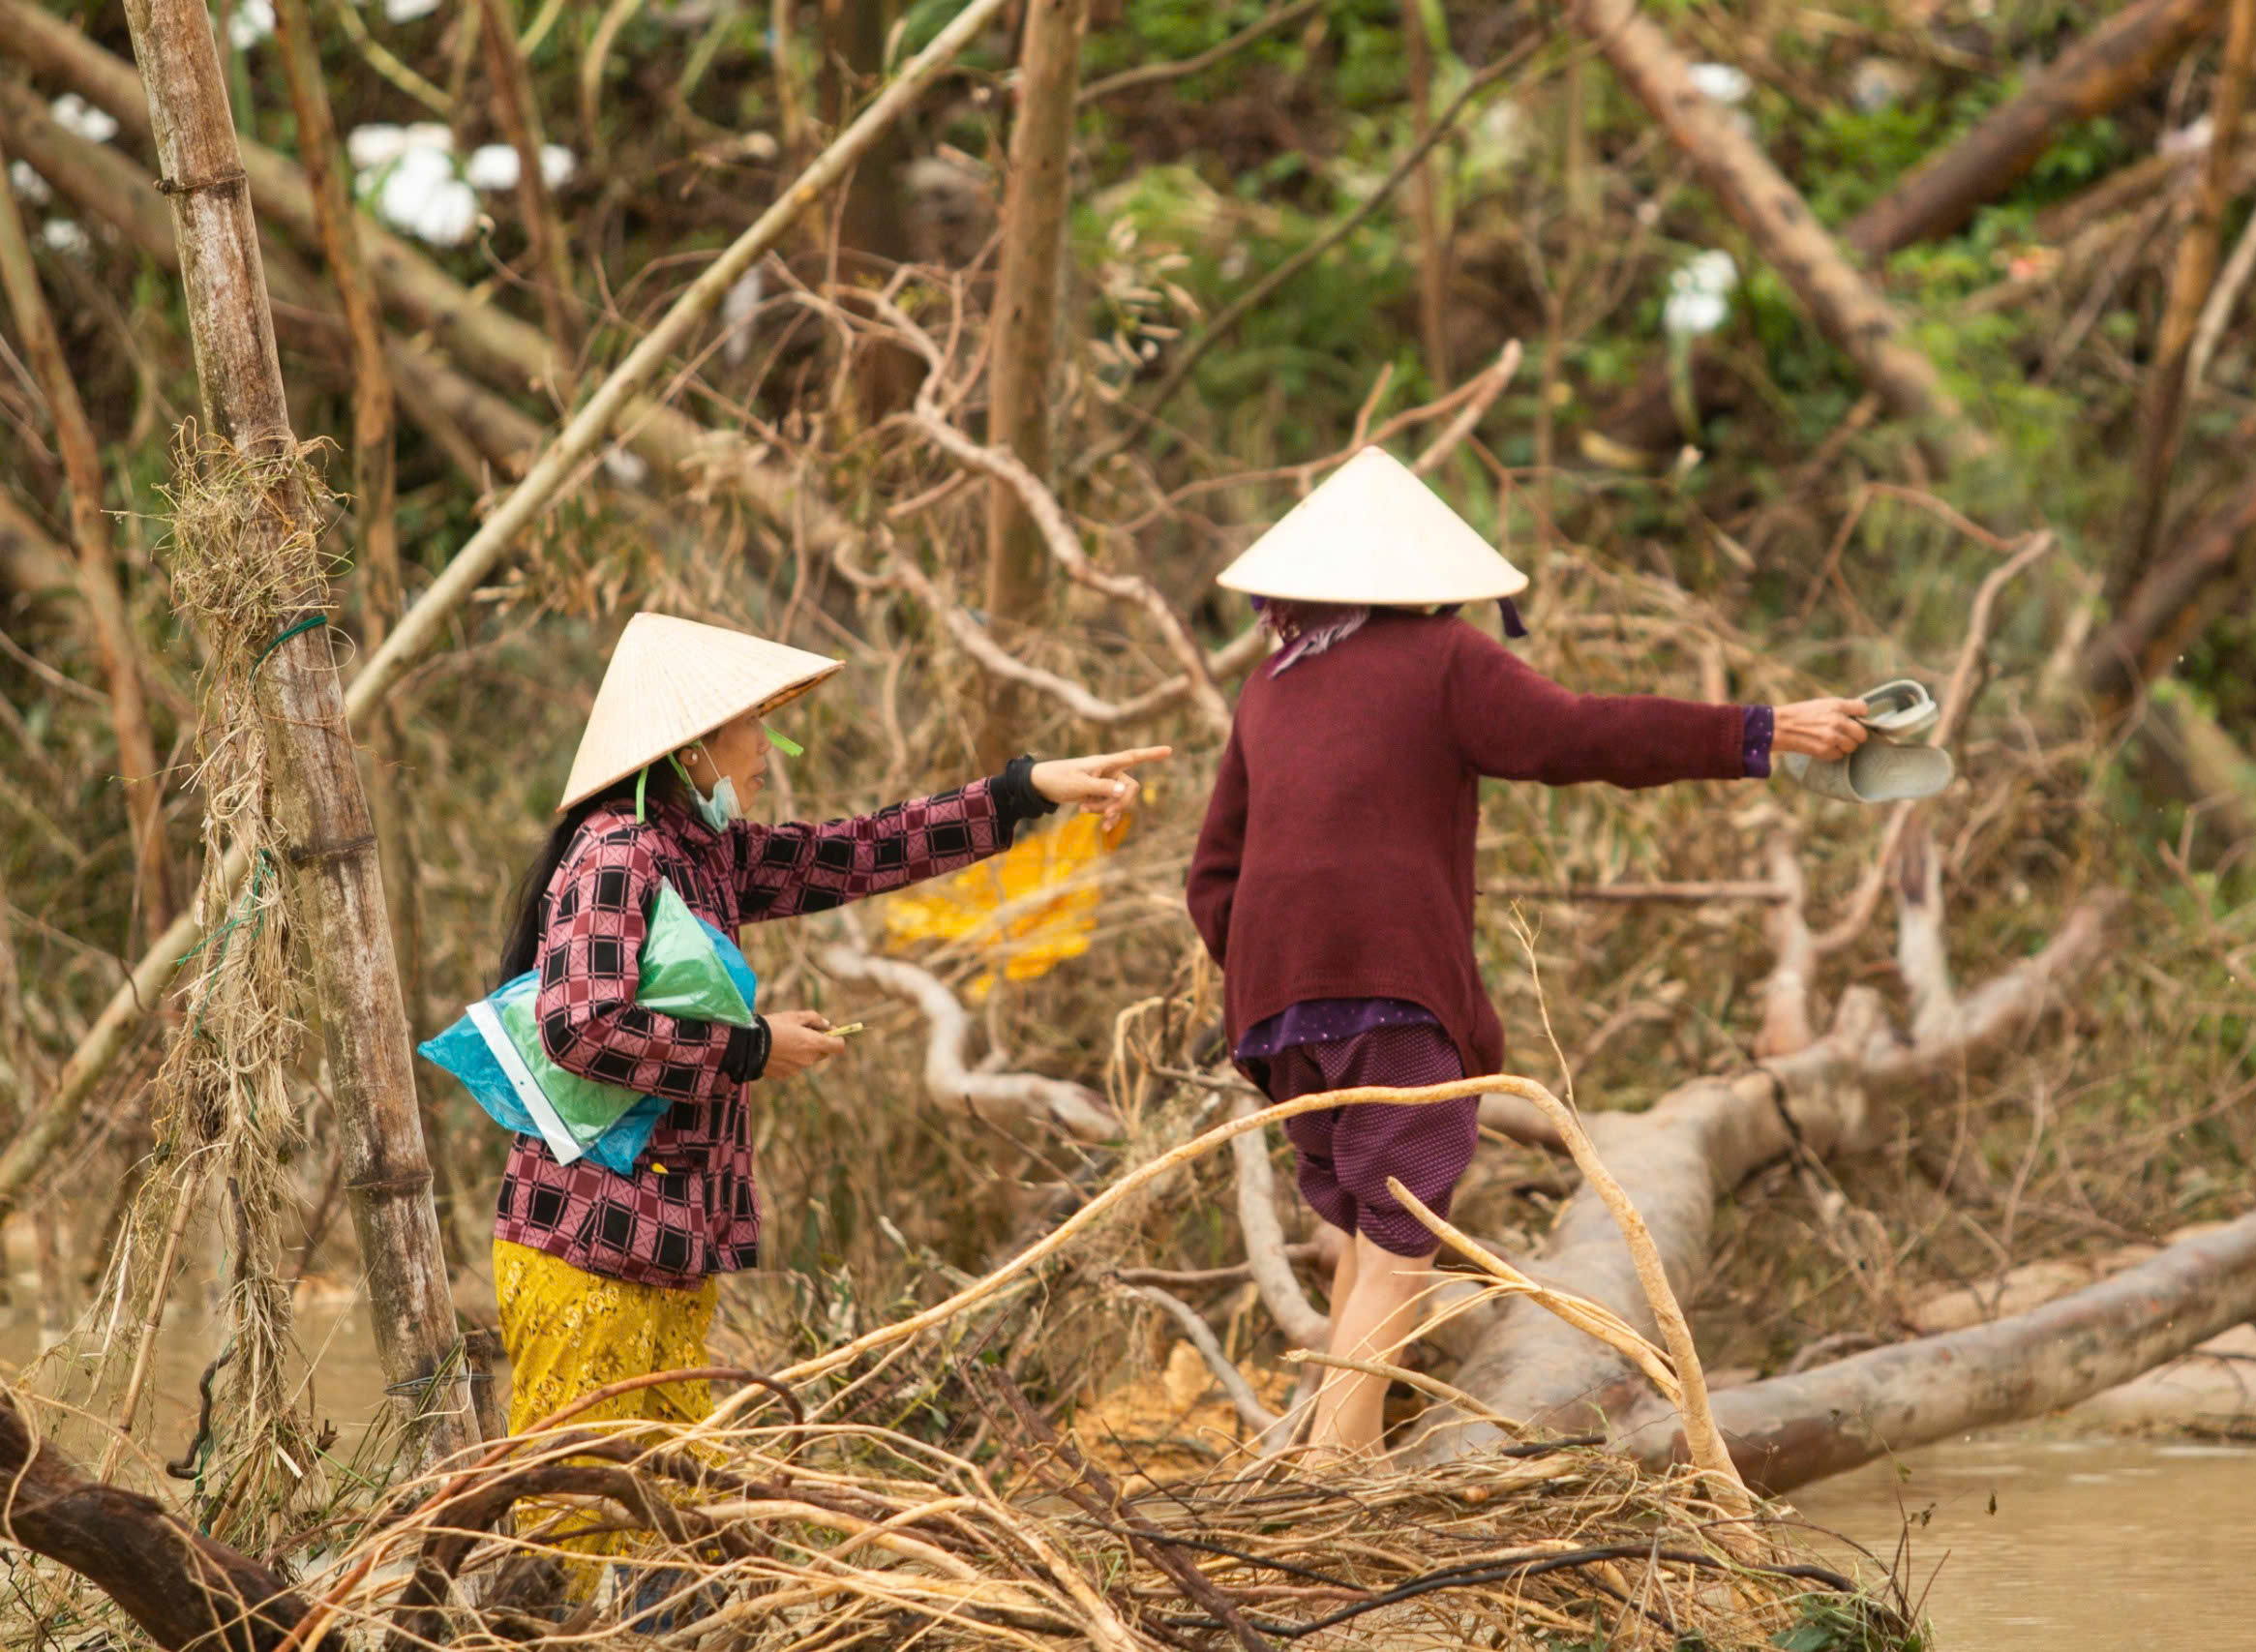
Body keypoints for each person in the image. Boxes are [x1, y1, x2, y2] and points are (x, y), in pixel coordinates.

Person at [1184, 448, 1868, 1464]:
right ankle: (1330, 1479)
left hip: (1275, 1007)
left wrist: (1272, 980)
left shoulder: (1269, 689)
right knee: (1405, 1237)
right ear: (1433, 581)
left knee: (1371, 1230)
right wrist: (1761, 731)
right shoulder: (1444, 659)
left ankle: (1342, 1454)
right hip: (1385, 994)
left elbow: (1212, 875)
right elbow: (1579, 736)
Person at [492, 613, 1167, 1556]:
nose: (765, 753)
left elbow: (854, 852)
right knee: (578, 1512)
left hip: (666, 1243)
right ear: (693, 749)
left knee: (658, 1507)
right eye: (751, 731)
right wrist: (751, 1050)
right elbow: (579, 1024)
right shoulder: (619, 854)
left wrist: (1023, 791)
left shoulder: (702, 853)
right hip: (591, 1245)